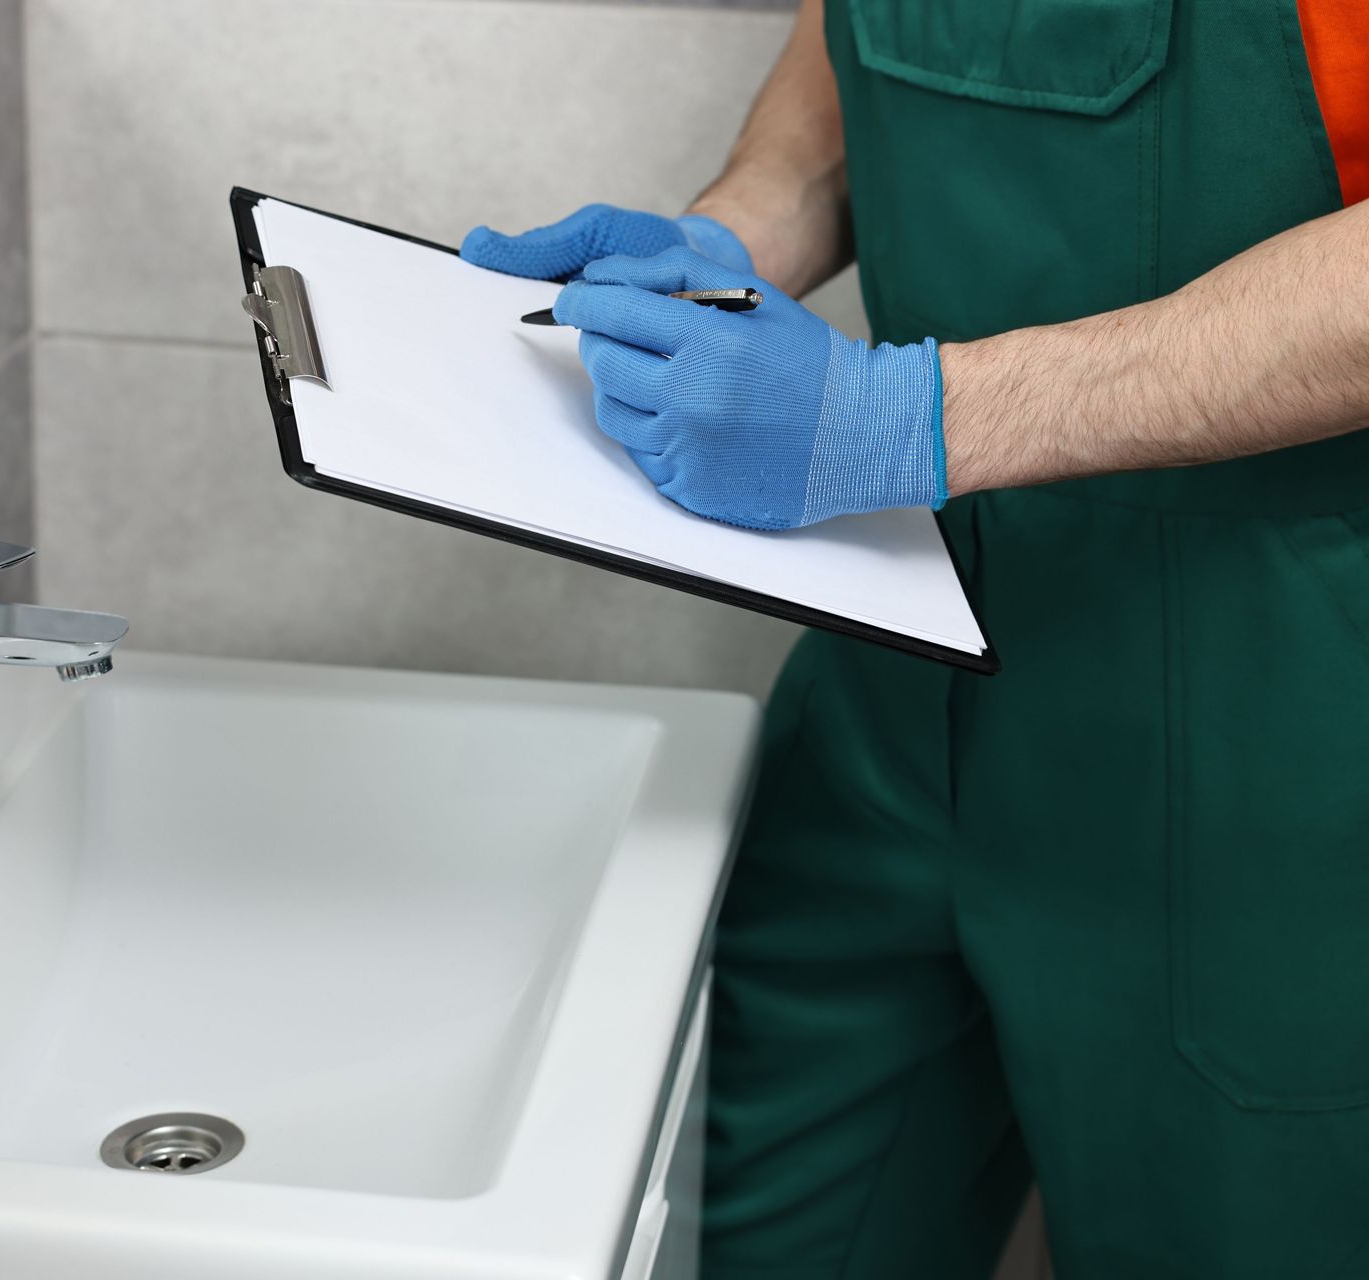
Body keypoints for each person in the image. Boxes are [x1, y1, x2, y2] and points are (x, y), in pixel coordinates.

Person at [463, 1, 1369, 1276]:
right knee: (718, 1222)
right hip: (902, 647)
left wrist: (906, 416)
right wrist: (736, 234)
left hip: (1277, 703)